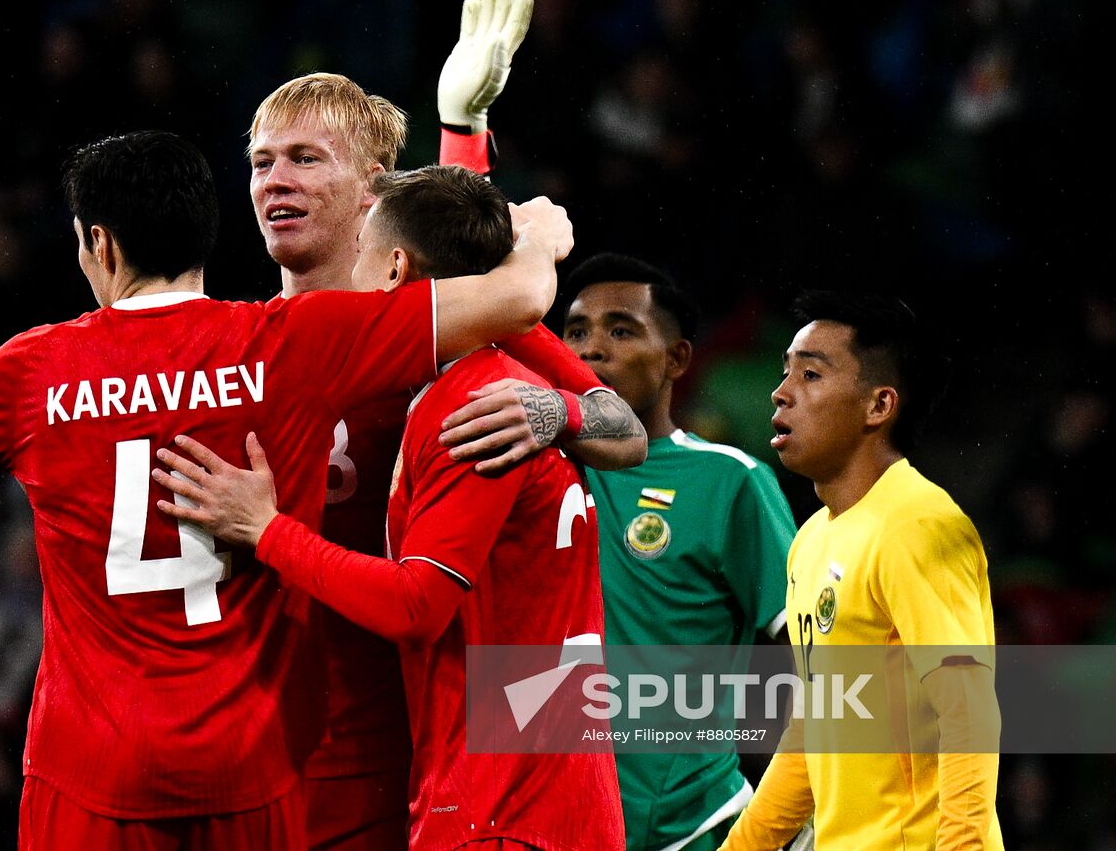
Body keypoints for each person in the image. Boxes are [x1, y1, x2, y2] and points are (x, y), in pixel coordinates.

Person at [0, 0, 645, 851]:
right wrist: (28, 414)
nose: (274, 181)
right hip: (253, 755)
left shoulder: (442, 340)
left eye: (303, 159)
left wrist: (551, 409)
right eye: (258, 162)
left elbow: (621, 428)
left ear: (374, 191)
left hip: (412, 752)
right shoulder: (238, 351)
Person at [153, 164, 625, 851]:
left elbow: (416, 605)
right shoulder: (505, 376)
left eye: (364, 252)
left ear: (395, 268)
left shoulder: (471, 407)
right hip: (546, 797)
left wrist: (267, 530)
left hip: (498, 815)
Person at [719, 291, 1002, 851]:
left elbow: (967, 712)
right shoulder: (812, 539)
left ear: (878, 407)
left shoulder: (919, 525)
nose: (781, 393)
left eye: (812, 375)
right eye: (785, 372)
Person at [559, 253, 796, 851]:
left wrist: (791, 805)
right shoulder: (534, 471)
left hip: (694, 827)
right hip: (554, 817)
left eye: (621, 330)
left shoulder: (730, 482)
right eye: (576, 330)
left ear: (678, 359)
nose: (591, 350)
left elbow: (807, 654)